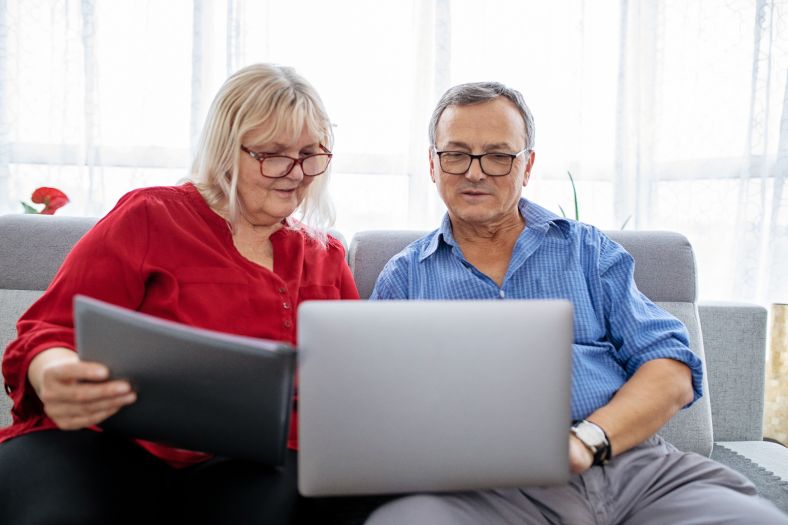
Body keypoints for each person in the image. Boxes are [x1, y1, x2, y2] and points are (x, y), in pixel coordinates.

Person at [365, 82, 788, 524]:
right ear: (432, 165)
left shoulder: (585, 249)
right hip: (486, 493)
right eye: (456, 154)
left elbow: (672, 371)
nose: (475, 172)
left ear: (527, 166)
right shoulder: (405, 276)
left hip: (632, 469)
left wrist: (589, 440)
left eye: (498, 155)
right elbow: (378, 405)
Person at [0, 63, 358, 525]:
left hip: (254, 467)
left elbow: (352, 382)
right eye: (272, 154)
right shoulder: (151, 216)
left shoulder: (325, 255)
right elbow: (48, 329)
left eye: (311, 154)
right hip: (106, 444)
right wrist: (55, 371)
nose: (295, 173)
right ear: (226, 150)